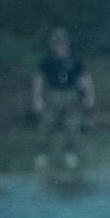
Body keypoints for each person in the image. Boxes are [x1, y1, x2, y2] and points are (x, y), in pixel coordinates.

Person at [32, 27, 94, 170]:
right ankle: (43, 156)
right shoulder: (47, 61)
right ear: (52, 45)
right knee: (46, 126)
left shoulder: (75, 60)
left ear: (67, 44)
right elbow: (38, 79)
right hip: (53, 95)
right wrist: (37, 99)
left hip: (71, 96)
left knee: (73, 126)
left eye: (62, 43)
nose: (59, 46)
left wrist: (89, 96)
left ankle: (71, 155)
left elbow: (85, 78)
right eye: (56, 43)